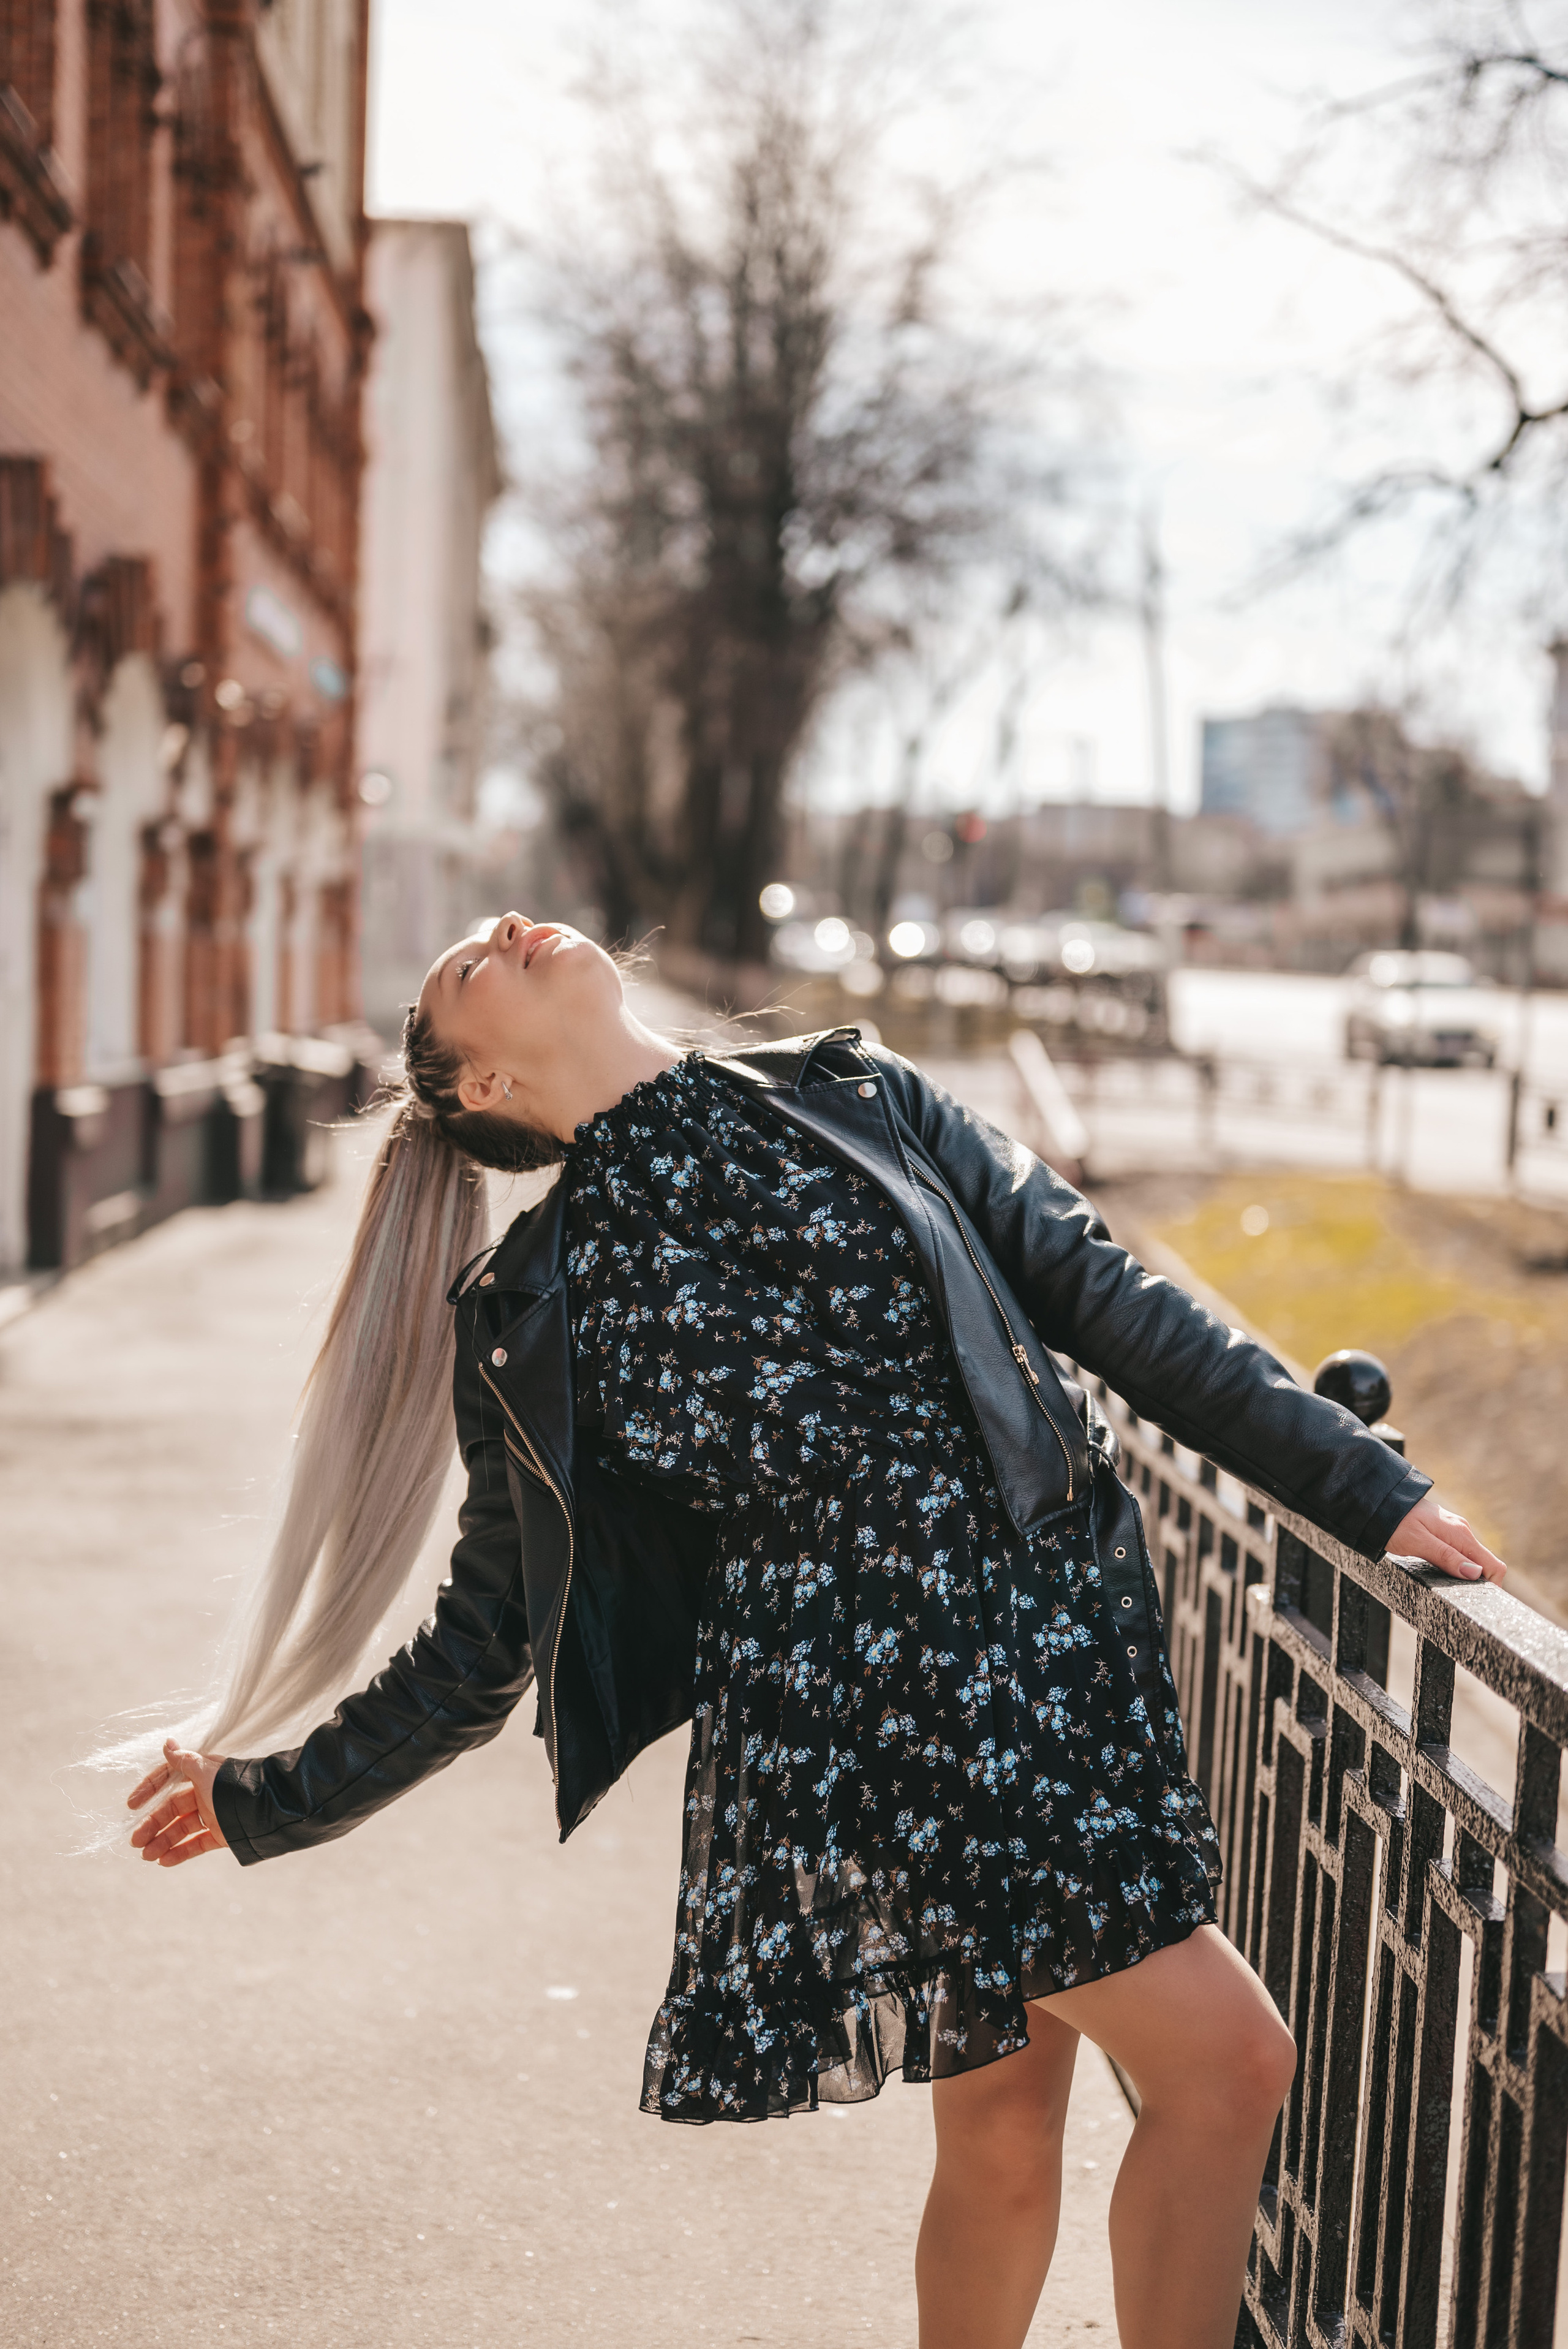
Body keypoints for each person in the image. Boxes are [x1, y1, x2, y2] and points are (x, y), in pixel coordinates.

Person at [126, 913, 1504, 2349]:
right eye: (467, 965)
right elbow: (482, 1644)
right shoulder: (533, 1308)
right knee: (1228, 2068)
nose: (504, 930)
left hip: (1058, 1659)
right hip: (876, 1718)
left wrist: (1357, 1484)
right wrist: (272, 1800)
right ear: (479, 1090)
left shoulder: (858, 1091)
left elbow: (1099, 1294)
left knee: (1004, 2121)